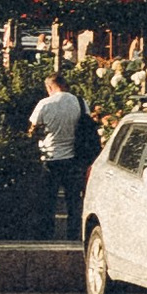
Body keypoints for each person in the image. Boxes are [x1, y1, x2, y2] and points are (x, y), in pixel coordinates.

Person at [28, 71, 96, 235]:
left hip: (50, 157)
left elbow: (32, 130)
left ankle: (47, 233)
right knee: (73, 200)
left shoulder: (44, 104)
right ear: (64, 84)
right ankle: (73, 233)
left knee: (48, 200)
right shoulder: (80, 103)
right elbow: (87, 126)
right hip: (73, 158)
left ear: (49, 87)